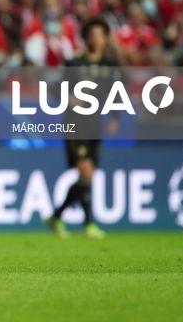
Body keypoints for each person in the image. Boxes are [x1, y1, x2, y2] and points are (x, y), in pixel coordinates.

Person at [46, 18, 119, 239]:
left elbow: (118, 92)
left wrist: (115, 116)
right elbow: (54, 88)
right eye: (93, 35)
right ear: (86, 38)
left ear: (106, 38)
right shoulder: (75, 63)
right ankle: (89, 224)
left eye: (101, 35)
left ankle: (56, 216)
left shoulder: (110, 66)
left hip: (95, 122)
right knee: (85, 170)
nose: (97, 39)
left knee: (87, 176)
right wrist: (69, 98)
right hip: (75, 122)